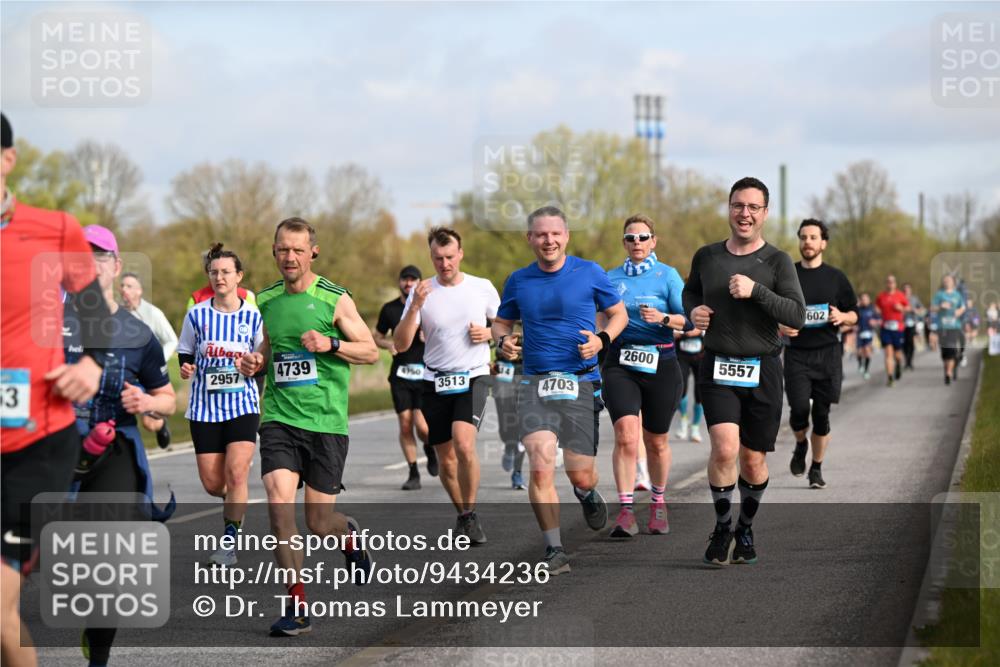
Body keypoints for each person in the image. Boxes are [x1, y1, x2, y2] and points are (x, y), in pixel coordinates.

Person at [1, 112, 115, 667]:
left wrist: (92, 364)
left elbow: (94, 310)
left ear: (7, 160)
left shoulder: (54, 230)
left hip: (35, 444)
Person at [238, 217, 377, 637]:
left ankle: (348, 535)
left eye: (298, 250)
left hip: (326, 423)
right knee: (279, 507)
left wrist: (331, 343)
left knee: (319, 522)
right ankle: (297, 607)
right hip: (279, 418)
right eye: (283, 249)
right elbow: (266, 350)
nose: (290, 257)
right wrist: (254, 364)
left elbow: (370, 352)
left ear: (312, 252)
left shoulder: (334, 299)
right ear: (274, 251)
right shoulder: (266, 300)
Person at [493, 206, 628, 574]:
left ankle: (585, 493)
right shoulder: (519, 280)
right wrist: (502, 342)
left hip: (581, 382)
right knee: (539, 465)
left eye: (555, 234)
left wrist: (602, 340)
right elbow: (501, 322)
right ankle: (554, 549)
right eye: (540, 234)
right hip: (535, 382)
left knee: (580, 473)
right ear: (530, 239)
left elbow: (619, 314)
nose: (548, 240)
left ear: (566, 236)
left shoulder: (589, 272)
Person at [69, 225, 178, 667]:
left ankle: (98, 656)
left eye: (100, 258)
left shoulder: (138, 333)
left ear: (115, 267)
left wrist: (149, 400)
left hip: (114, 448)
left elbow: (167, 398)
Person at [682, 177, 805, 566]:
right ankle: (722, 527)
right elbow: (691, 291)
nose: (745, 214)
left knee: (752, 461)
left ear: (765, 213)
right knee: (724, 449)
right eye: (738, 205)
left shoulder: (778, 261)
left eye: (753, 207)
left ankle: (745, 527)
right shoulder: (707, 256)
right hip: (717, 365)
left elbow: (796, 315)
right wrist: (693, 311)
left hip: (764, 368)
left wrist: (757, 292)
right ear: (729, 208)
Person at [393, 227, 499, 543]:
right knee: (445, 461)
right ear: (431, 258)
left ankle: (473, 512)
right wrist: (414, 307)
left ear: (460, 254)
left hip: (474, 375)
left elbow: (507, 327)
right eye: (438, 258)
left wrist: (489, 334)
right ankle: (465, 515)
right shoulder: (421, 292)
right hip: (435, 380)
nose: (445, 264)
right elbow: (400, 344)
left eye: (450, 257)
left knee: (464, 443)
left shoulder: (482, 288)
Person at [602, 214, 688, 537]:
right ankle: (625, 511)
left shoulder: (668, 276)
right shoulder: (609, 278)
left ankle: (657, 502)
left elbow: (689, 321)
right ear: (623, 243)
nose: (636, 243)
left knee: (656, 441)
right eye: (630, 238)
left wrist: (665, 318)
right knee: (625, 435)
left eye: (642, 237)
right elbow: (599, 318)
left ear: (654, 241)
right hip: (620, 362)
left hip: (661, 362)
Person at [177, 243, 263, 566]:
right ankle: (236, 498)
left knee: (237, 474)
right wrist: (185, 366)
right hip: (204, 407)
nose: (220, 277)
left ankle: (229, 544)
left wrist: (255, 362)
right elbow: (185, 351)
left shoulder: (253, 315)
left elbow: (262, 355)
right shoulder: (196, 315)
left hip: (242, 404)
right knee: (215, 484)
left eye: (226, 272)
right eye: (214, 272)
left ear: (239, 276)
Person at [782, 219, 858, 490]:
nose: (807, 242)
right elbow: (773, 311)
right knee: (800, 410)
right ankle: (801, 444)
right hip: (797, 355)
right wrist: (781, 325)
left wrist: (843, 315)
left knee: (822, 416)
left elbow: (854, 314)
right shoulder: (788, 275)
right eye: (803, 237)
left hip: (827, 353)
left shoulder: (836, 278)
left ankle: (816, 468)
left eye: (813, 237)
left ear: (823, 242)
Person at [373, 265, 437, 490]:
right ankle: (413, 473)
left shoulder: (429, 307)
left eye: (413, 280)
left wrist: (427, 335)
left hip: (424, 374)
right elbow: (377, 337)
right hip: (400, 375)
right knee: (405, 424)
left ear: (420, 283)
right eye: (405, 279)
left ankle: (430, 448)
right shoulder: (389, 309)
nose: (408, 284)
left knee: (424, 427)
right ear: (400, 282)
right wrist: (388, 344)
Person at [120, 271, 178, 448]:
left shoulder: (153, 313)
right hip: (126, 373)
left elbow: (171, 340)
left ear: (139, 291)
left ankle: (160, 425)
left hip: (147, 373)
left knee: (149, 423)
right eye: (122, 286)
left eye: (129, 286)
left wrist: (157, 361)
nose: (124, 289)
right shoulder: (116, 314)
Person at [874, 275, 910, 387]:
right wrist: (877, 311)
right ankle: (890, 377)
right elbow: (876, 306)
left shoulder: (900, 295)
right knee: (888, 353)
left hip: (898, 328)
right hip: (886, 328)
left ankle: (898, 364)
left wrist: (902, 308)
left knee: (898, 354)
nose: (890, 284)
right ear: (886, 283)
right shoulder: (881, 296)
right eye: (888, 282)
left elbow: (908, 308)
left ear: (895, 283)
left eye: (892, 282)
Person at [675, 321, 706, 443]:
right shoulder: (678, 307)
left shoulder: (703, 307)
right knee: (680, 389)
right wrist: (683, 333)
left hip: (701, 356)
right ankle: (683, 419)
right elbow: (673, 332)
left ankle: (695, 428)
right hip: (682, 356)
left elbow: (705, 328)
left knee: (700, 394)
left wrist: (697, 330)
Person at [931, 274, 966, 385]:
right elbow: (932, 308)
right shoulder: (939, 295)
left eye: (949, 281)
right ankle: (950, 368)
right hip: (942, 326)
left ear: (953, 282)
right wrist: (941, 306)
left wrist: (958, 312)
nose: (947, 282)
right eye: (945, 281)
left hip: (954, 326)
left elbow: (963, 307)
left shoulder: (957, 295)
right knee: (944, 352)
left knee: (951, 348)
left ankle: (949, 373)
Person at [901, 282, 924, 371]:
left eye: (908, 289)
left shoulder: (915, 299)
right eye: (905, 289)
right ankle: (906, 361)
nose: (906, 291)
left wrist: (915, 310)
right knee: (903, 343)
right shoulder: (900, 298)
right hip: (902, 323)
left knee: (910, 342)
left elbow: (921, 309)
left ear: (910, 290)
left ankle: (910, 361)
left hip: (912, 322)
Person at [855, 293, 877, 379]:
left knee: (867, 351)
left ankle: (866, 370)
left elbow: (878, 319)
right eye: (862, 299)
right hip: (859, 333)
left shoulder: (872, 309)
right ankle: (860, 364)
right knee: (859, 352)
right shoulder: (857, 310)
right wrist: (854, 325)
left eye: (866, 299)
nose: (864, 301)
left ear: (869, 300)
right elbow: (853, 320)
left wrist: (874, 322)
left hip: (868, 333)